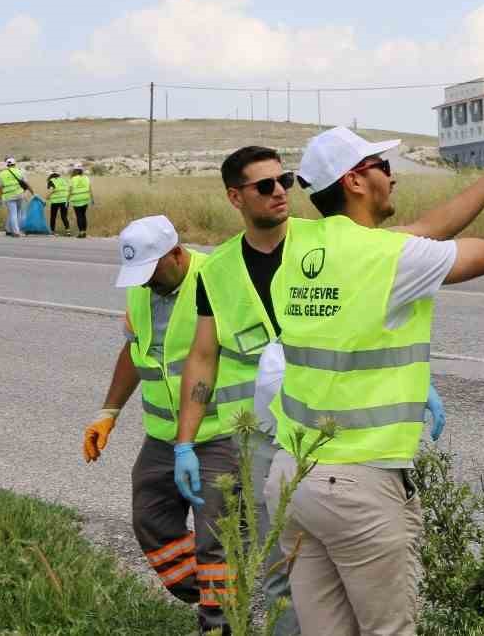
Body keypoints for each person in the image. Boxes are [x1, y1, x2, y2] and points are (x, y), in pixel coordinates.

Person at [239, 126, 484, 636]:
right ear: (354, 181)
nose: (392, 177)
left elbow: (423, 231)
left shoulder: (303, 247)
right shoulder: (386, 259)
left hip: (294, 477)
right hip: (359, 486)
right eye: (381, 167)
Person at [81, 215, 238, 633]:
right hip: (163, 439)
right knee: (151, 521)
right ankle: (216, 595)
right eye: (139, 275)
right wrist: (108, 413)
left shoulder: (218, 278)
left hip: (219, 435)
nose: (146, 282)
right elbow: (135, 353)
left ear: (176, 253)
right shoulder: (140, 291)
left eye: (152, 271)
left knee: (214, 542)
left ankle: (219, 622)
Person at [170, 146, 304, 636]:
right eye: (264, 186)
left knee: (340, 558)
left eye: (284, 180)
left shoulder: (322, 244)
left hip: (330, 425)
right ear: (235, 197)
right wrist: (185, 442)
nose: (279, 192)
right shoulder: (218, 269)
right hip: (262, 440)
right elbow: (202, 357)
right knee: (280, 567)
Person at [0, 156, 30, 237]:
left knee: (12, 214)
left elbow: (0, 188)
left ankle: (13, 231)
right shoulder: (20, 172)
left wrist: (0, 199)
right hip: (19, 195)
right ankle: (12, 230)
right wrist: (31, 192)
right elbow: (26, 184)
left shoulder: (2, 174)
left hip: (8, 196)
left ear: (6, 165)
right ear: (15, 164)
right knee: (18, 213)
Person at [70, 164, 93, 237]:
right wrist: (92, 198)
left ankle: (81, 232)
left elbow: (70, 191)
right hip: (85, 198)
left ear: (75, 171)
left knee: (79, 216)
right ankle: (84, 232)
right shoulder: (86, 178)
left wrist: (67, 201)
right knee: (83, 215)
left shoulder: (73, 179)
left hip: (76, 199)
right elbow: (90, 189)